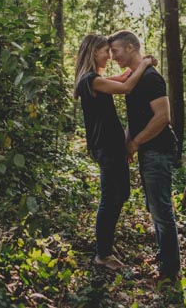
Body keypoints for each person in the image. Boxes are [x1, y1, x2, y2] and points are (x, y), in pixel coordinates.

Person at [73, 33, 156, 271]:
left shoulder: (95, 78)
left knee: (121, 194)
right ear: (93, 52)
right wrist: (144, 65)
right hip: (106, 147)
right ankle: (103, 254)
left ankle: (105, 243)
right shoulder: (91, 80)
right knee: (111, 198)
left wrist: (142, 62)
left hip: (113, 146)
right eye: (105, 51)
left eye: (111, 51)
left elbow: (122, 77)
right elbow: (127, 86)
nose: (109, 56)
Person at [107, 30, 180, 282]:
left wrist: (136, 142)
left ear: (129, 47)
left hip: (158, 150)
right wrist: (129, 140)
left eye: (115, 50)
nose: (112, 55)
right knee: (155, 207)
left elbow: (162, 117)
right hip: (148, 150)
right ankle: (164, 258)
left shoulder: (150, 78)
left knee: (162, 210)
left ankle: (170, 271)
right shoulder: (136, 78)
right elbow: (138, 118)